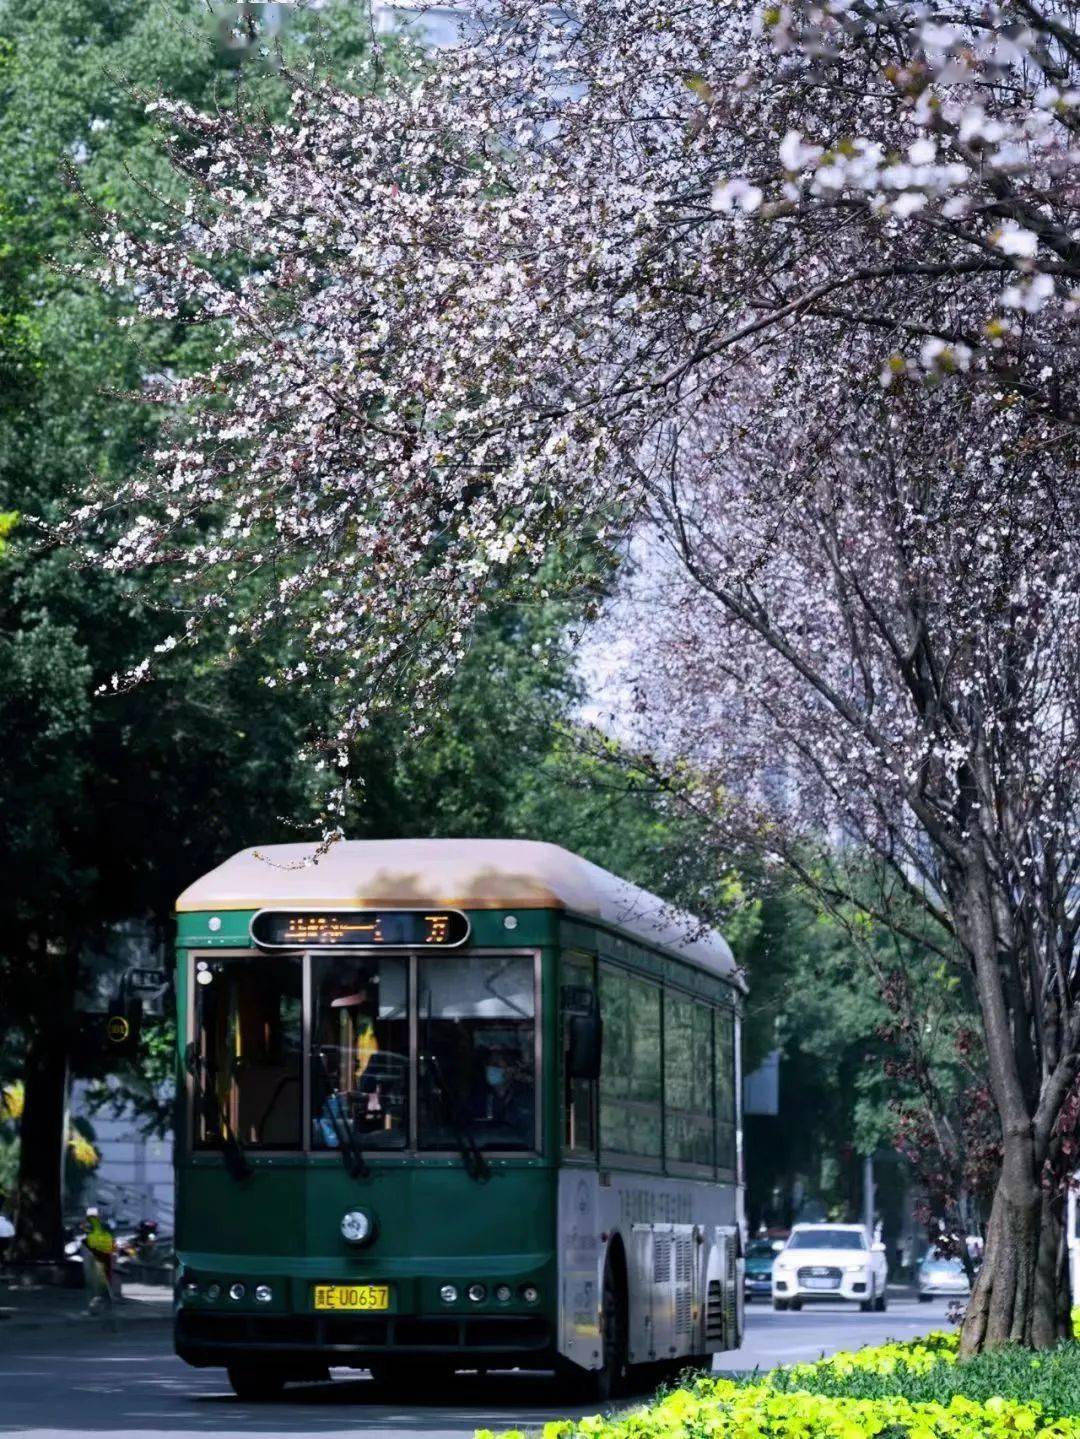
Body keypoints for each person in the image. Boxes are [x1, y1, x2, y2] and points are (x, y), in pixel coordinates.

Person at [81, 1207, 118, 1328]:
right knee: (92, 1283)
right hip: (92, 1256)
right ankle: (95, 1307)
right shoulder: (87, 1227)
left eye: (95, 1216)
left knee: (103, 1284)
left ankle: (106, 1309)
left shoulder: (106, 1226)